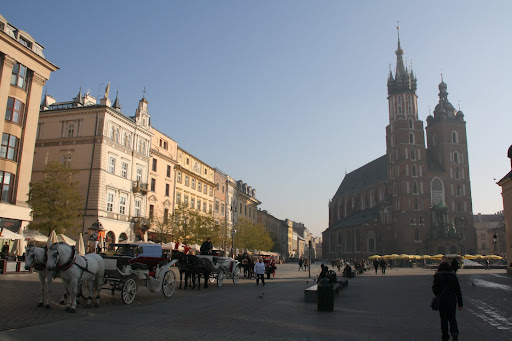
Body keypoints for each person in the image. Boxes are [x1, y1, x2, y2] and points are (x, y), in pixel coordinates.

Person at [432, 262, 463, 341]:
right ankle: (454, 333)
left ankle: (445, 336)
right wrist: (460, 304)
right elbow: (458, 291)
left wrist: (439, 293)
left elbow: (435, 290)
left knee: (443, 319)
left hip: (442, 301)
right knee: (452, 318)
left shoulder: (437, 276)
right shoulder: (453, 276)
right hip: (452, 301)